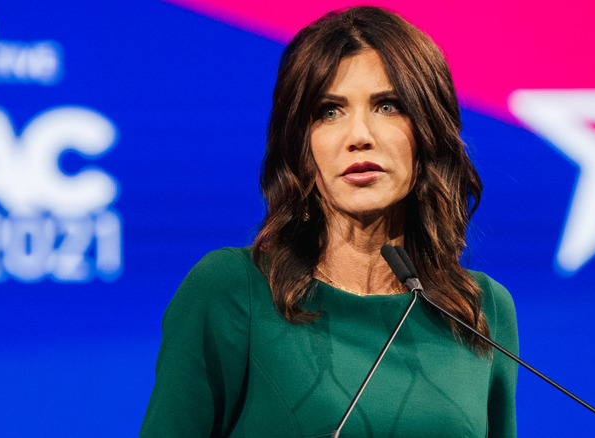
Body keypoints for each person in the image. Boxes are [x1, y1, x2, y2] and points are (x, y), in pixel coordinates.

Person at [140, 6, 517, 437]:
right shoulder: (231, 292)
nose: (359, 135)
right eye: (329, 111)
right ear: (301, 146)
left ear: (428, 130)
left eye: (388, 106)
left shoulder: (481, 308)